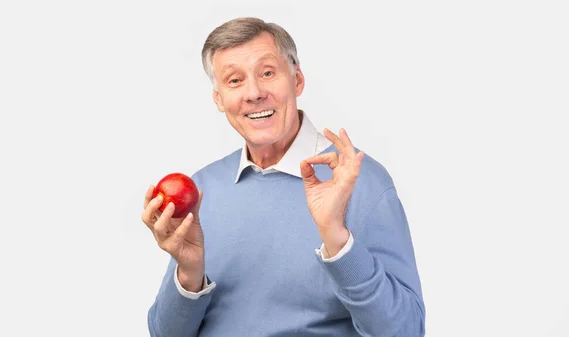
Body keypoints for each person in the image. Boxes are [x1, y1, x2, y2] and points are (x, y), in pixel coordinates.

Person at [141, 17, 425, 337]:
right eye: (234, 81)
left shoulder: (360, 182)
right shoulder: (204, 189)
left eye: (267, 73)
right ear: (219, 99)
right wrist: (189, 273)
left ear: (297, 79)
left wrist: (338, 239)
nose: (254, 93)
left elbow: (406, 331)